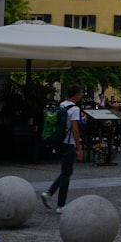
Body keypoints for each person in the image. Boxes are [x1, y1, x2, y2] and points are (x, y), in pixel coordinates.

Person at [40, 85, 83, 213]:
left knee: (67, 172)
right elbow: (75, 130)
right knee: (66, 174)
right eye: (80, 93)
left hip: (58, 141)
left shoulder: (62, 105)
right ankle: (60, 204)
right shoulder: (74, 109)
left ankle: (50, 193)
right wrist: (79, 148)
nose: (81, 96)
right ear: (76, 95)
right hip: (68, 143)